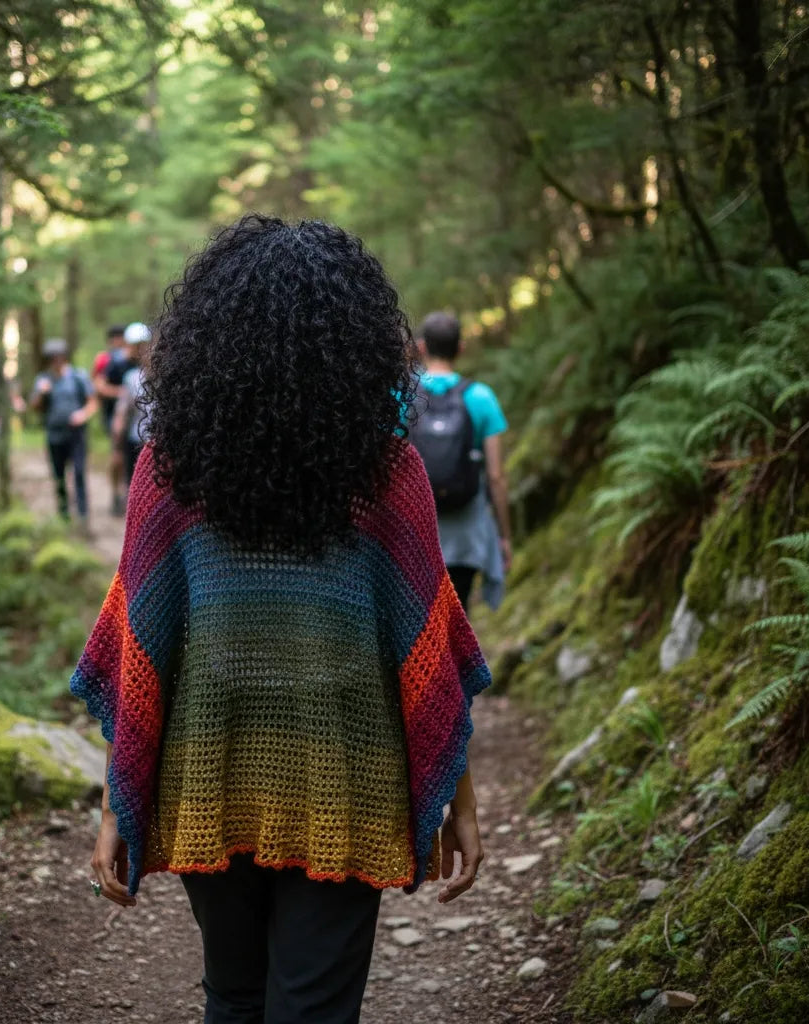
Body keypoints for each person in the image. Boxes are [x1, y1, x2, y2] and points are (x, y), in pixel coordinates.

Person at [70, 215, 491, 1024]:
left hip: (209, 783)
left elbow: (139, 659)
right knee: (315, 1008)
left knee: (233, 996)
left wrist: (115, 809)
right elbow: (426, 654)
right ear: (356, 345)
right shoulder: (388, 475)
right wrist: (462, 805)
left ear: (208, 343)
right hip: (349, 781)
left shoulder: (167, 473)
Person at [413, 311, 512, 613]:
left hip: (417, 535)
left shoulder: (402, 397)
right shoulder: (481, 397)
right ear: (461, 348)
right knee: (458, 614)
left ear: (421, 347)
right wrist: (504, 535)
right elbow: (495, 476)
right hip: (466, 533)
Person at [29, 337, 98, 531]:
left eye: (58, 357)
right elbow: (34, 407)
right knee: (58, 475)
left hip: (76, 435)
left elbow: (92, 401)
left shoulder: (78, 377)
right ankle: (63, 515)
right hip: (54, 435)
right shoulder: (43, 380)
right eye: (52, 358)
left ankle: (83, 517)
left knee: (79, 473)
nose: (56, 361)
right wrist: (42, 393)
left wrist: (82, 415)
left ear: (64, 357)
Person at [93, 324, 131, 517]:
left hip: (133, 417)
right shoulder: (106, 360)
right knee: (117, 457)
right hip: (112, 416)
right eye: (115, 337)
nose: (118, 341)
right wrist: (122, 393)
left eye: (120, 337)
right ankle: (116, 494)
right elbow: (99, 386)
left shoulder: (135, 358)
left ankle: (127, 495)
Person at [110, 322, 152, 490]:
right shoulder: (122, 369)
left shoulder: (164, 375)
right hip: (135, 437)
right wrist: (117, 439)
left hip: (154, 440)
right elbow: (121, 409)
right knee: (134, 484)